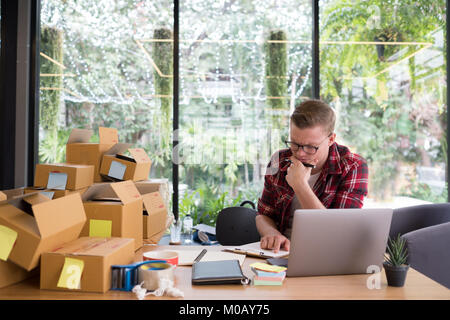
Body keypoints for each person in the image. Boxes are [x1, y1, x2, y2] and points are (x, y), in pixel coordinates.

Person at [256, 99, 368, 253]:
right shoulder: (279, 160)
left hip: (326, 254)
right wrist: (271, 233)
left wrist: (300, 185)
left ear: (330, 139)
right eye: (295, 143)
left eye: (310, 147)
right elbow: (263, 215)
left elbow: (337, 234)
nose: (300, 153)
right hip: (281, 253)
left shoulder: (353, 166)